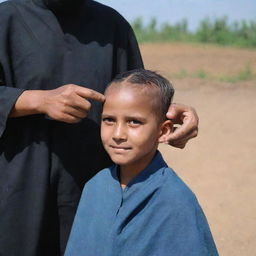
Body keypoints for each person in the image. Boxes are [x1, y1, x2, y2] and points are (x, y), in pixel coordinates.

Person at [0, 0, 198, 255]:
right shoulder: (6, 19)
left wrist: (168, 113)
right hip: (18, 189)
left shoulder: (113, 25)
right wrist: (35, 100)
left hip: (93, 191)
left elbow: (135, 97)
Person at [65, 69, 218, 256]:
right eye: (109, 120)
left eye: (134, 122)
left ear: (163, 131)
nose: (118, 134)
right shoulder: (96, 187)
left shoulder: (175, 200)